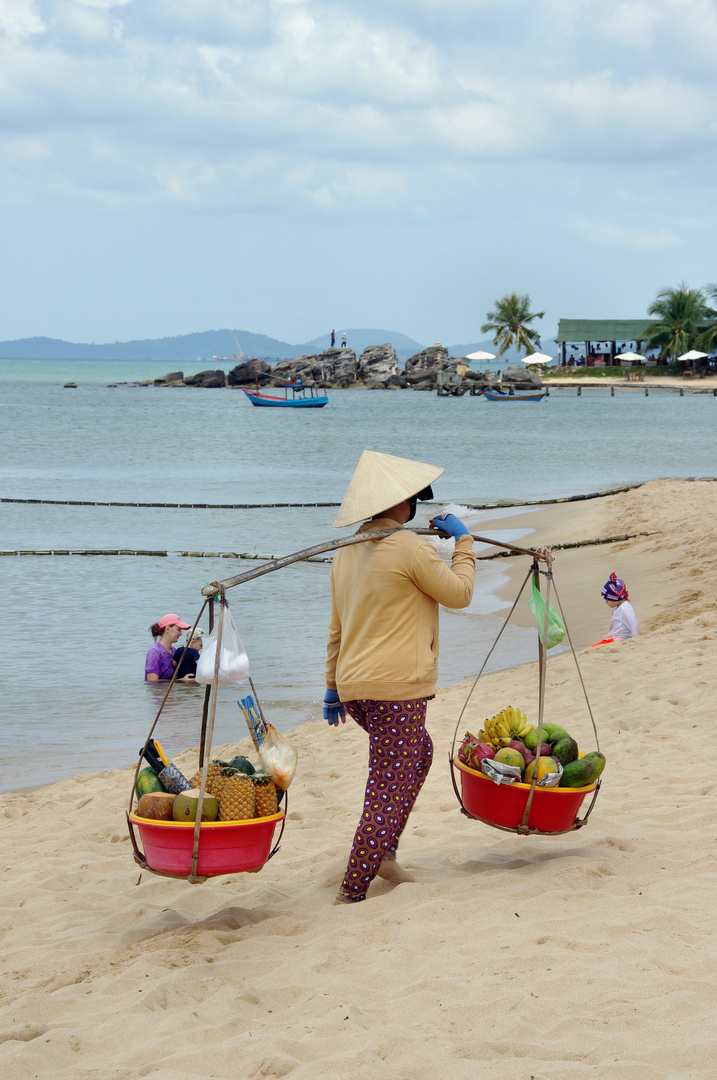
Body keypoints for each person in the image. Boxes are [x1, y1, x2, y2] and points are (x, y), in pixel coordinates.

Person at [323, 450, 476, 904]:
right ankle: (353, 888)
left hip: (356, 689)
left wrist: (333, 688)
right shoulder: (411, 547)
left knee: (419, 755)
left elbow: (336, 629)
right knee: (387, 786)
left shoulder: (344, 554)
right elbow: (460, 594)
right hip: (395, 692)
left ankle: (384, 854)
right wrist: (464, 543)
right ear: (401, 505)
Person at [145, 613, 195, 682]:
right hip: (160, 692)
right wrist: (181, 681)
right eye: (178, 629)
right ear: (167, 628)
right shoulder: (154, 651)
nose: (181, 634)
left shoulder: (174, 651)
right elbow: (152, 681)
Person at [601, 573, 639, 641]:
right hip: (617, 638)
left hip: (619, 639)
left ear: (615, 598)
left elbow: (633, 622)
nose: (606, 602)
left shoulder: (624, 608)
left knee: (595, 647)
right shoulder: (620, 608)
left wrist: (635, 637)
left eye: (607, 600)